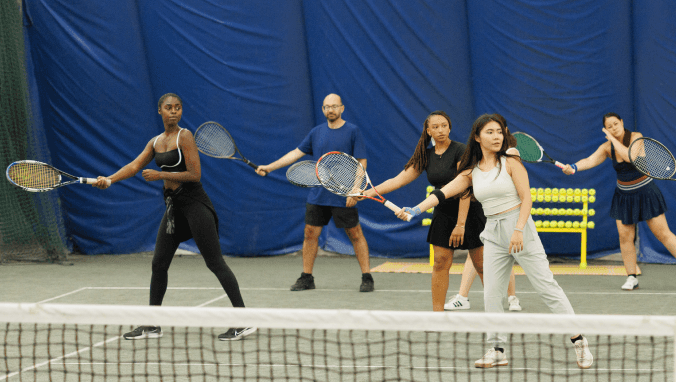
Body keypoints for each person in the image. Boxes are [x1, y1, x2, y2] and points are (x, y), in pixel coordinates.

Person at [398, 114, 594, 368]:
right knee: (491, 293)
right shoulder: (471, 170)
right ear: (477, 137)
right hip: (492, 232)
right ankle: (496, 348)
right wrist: (416, 209)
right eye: (489, 132)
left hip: (519, 229)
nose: (496, 136)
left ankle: (578, 340)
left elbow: (527, 198)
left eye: (499, 132)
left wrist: (519, 230)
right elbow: (444, 192)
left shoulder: (510, 161)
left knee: (546, 286)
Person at [95, 93, 253, 342]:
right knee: (158, 264)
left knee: (215, 262)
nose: (174, 112)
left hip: (195, 204)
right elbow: (135, 165)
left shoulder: (185, 136)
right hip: (173, 208)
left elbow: (195, 174)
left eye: (178, 108)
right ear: (160, 111)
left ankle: (243, 321)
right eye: (168, 108)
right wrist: (110, 179)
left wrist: (161, 176)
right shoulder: (156, 141)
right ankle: (152, 324)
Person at [362, 111, 518, 312]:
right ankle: (437, 314)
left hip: (470, 212)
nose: (440, 130)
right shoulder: (425, 156)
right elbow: (397, 180)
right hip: (443, 213)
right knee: (440, 263)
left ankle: (495, 314)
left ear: (450, 128)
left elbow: (464, 188)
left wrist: (461, 225)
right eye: (435, 127)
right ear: (428, 131)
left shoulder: (461, 151)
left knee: (481, 265)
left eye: (444, 125)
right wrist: (365, 193)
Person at [563, 112, 676, 292]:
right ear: (605, 128)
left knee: (663, 234)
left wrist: (612, 139)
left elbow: (629, 157)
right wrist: (573, 167)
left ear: (622, 122)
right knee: (625, 237)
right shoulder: (606, 147)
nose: (613, 128)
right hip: (624, 196)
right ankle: (631, 277)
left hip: (646, 192)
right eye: (609, 126)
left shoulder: (636, 137)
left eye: (615, 124)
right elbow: (589, 160)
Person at [256, 94, 373, 293]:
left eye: (334, 106)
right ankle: (307, 277)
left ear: (342, 108)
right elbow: (295, 153)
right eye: (327, 107)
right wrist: (270, 167)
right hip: (319, 194)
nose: (331, 110)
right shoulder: (316, 132)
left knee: (355, 233)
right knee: (310, 234)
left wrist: (355, 188)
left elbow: (361, 161)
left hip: (344, 194)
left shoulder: (352, 131)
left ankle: (367, 277)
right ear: (322, 110)